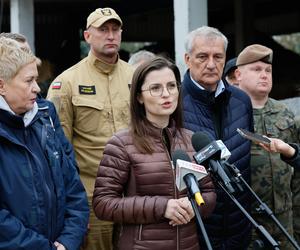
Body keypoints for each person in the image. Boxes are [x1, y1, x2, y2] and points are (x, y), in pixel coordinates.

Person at [92, 56, 216, 250]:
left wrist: (194, 206)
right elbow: (103, 203)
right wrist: (163, 207)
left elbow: (208, 193)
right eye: (155, 88)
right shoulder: (121, 144)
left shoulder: (192, 140)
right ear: (139, 97)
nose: (166, 94)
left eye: (171, 86)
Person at [47, 7, 134, 250]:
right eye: (103, 30)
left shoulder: (137, 76)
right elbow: (56, 151)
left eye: (115, 29)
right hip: (91, 197)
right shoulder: (66, 83)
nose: (111, 35)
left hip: (135, 193)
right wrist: (70, 207)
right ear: (87, 36)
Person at [0, 37, 89, 249]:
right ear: (1, 86)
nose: (37, 89)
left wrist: (67, 242)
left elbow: (73, 186)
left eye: (36, 80)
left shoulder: (44, 121)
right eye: (28, 81)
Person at [181, 25, 254, 249]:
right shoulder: (174, 103)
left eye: (218, 57)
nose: (211, 64)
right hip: (196, 226)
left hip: (239, 224)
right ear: (187, 59)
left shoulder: (242, 100)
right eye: (202, 56)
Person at [235, 44, 299, 249]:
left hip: (284, 221)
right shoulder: (230, 114)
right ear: (238, 74)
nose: (264, 75)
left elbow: (296, 174)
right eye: (256, 69)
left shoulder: (286, 113)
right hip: (248, 222)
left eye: (268, 70)